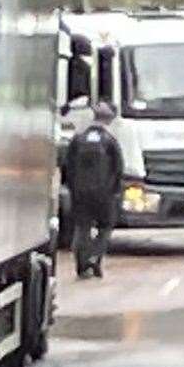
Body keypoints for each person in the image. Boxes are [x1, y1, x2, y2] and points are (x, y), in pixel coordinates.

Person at [63, 102, 123, 278]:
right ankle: (95, 257)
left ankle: (82, 265)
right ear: (109, 120)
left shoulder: (78, 139)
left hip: (80, 193)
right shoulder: (110, 141)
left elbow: (67, 165)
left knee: (82, 228)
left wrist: (72, 187)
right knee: (105, 227)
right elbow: (118, 168)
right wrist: (115, 191)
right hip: (104, 194)